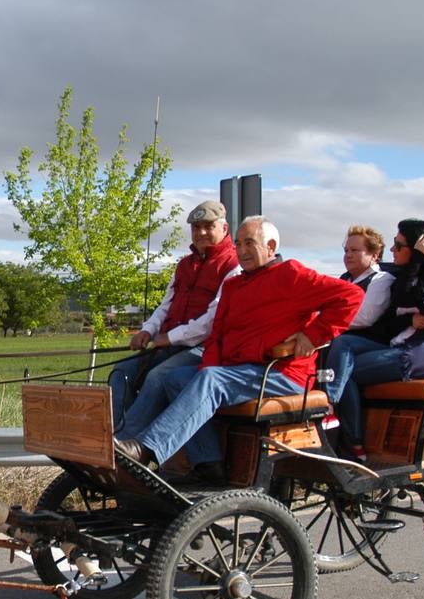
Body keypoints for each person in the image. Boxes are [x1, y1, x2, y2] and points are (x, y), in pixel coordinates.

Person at [114, 216, 363, 483]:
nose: (241, 250)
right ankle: (208, 463)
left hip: (281, 374)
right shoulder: (233, 285)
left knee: (211, 380)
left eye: (249, 243)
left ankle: (145, 449)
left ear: (269, 245)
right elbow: (217, 336)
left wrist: (312, 335)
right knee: (175, 378)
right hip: (241, 373)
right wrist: (207, 367)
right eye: (238, 243)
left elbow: (351, 296)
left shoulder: (291, 275)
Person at [324, 218, 424, 461]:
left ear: (420, 248)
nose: (392, 251)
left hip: (422, 354)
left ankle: (351, 440)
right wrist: (409, 319)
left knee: (348, 372)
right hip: (397, 342)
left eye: (398, 246)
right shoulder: (404, 274)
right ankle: (333, 410)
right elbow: (395, 314)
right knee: (341, 345)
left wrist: (417, 262)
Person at [108, 199, 240, 423]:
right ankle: (115, 433)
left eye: (208, 226)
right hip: (171, 345)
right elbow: (166, 305)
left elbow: (211, 321)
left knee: (158, 377)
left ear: (224, 228)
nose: (201, 233)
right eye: (196, 228)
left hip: (203, 349)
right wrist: (148, 331)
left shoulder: (233, 267)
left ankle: (130, 444)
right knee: (121, 373)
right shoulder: (184, 265)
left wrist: (169, 337)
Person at [340, 225, 393, 331]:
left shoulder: (381, 279)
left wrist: (325, 321)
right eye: (346, 251)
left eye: (354, 250)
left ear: (374, 255)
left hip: (362, 340)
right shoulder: (343, 279)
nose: (348, 255)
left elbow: (365, 318)